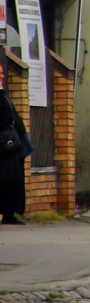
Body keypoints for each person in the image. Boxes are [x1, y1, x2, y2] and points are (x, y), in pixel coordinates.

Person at [0, 88, 28, 225]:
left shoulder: (3, 95)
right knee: (5, 179)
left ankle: (9, 213)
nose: (2, 76)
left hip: (10, 145)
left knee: (13, 179)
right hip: (3, 145)